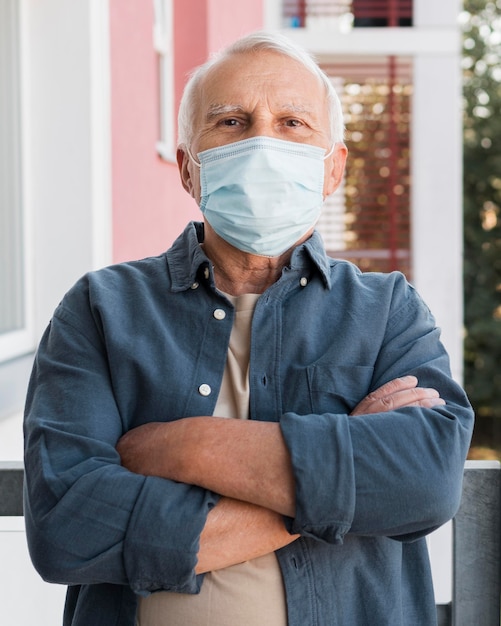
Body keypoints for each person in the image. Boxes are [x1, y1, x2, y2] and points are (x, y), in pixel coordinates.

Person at [23, 31, 474, 626]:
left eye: (293, 123)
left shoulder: (388, 309)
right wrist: (339, 466)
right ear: (189, 168)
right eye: (232, 122)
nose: (263, 142)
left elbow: (424, 482)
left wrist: (183, 446)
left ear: (332, 169)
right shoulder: (100, 309)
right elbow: (67, 529)